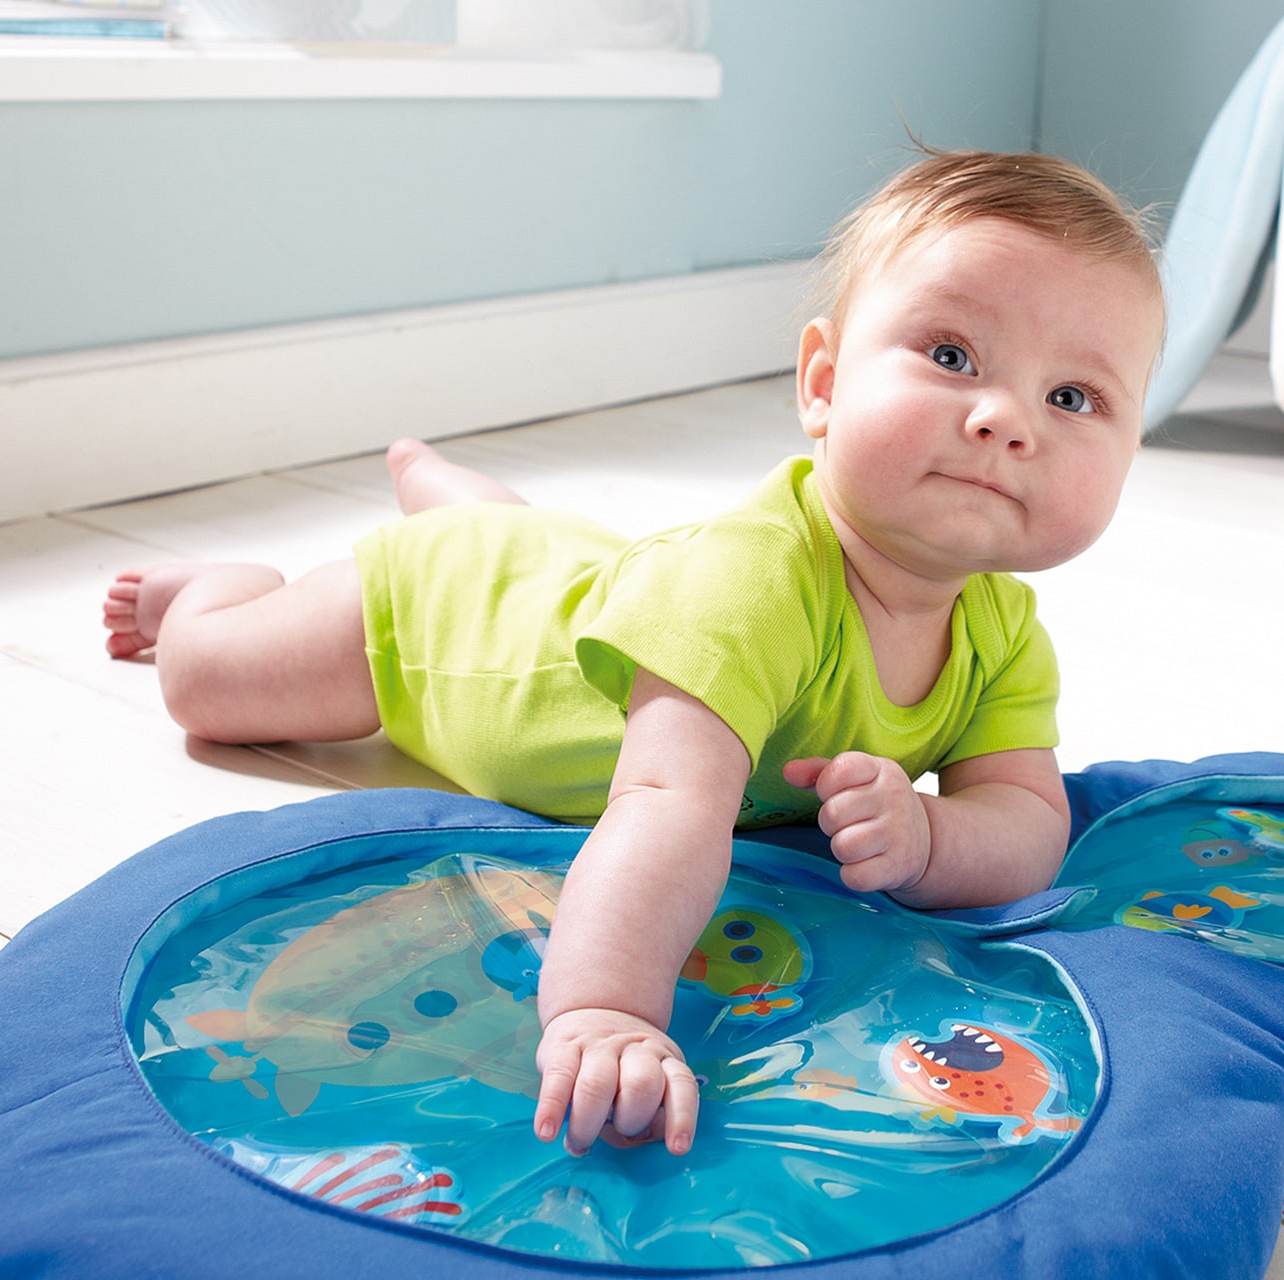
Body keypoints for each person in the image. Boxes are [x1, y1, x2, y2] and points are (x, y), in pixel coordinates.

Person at [101, 148, 1165, 1161]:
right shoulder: (746, 588)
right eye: (951, 356)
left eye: (1071, 397)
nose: (1002, 419)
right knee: (209, 686)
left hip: (586, 576)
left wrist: (934, 832)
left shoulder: (1001, 634)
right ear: (823, 384)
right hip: (447, 625)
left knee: (554, 554)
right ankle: (223, 587)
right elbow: (663, 806)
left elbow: (1027, 824)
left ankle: (473, 502)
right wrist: (605, 1006)